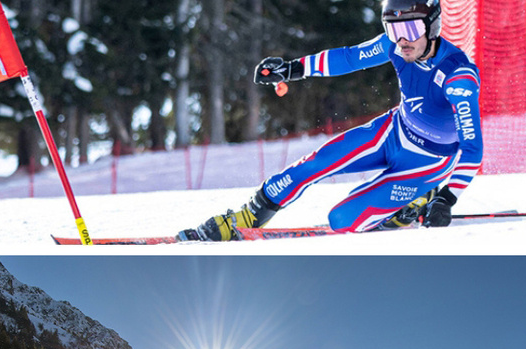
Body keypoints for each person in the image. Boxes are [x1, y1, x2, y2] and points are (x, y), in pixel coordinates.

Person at [180, 0, 483, 241]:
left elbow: (472, 150)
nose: (402, 40)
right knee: (312, 165)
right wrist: (293, 70)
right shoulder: (396, 46)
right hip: (391, 133)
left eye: (412, 28)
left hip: (427, 162)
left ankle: (414, 201)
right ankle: (246, 217)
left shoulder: (459, 76)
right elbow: (350, 58)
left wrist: (447, 198)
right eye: (393, 30)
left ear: (433, 25)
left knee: (341, 221)